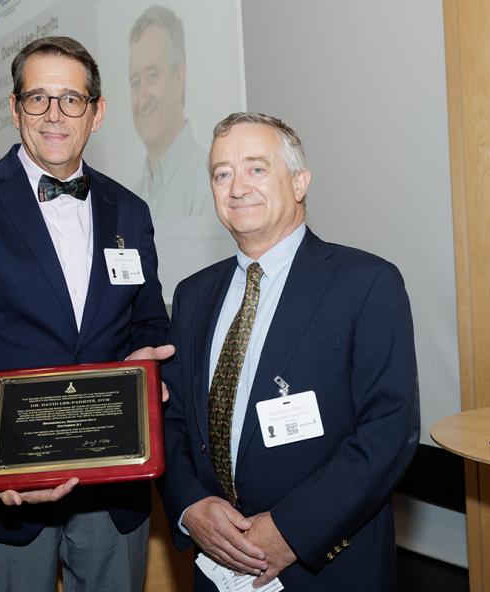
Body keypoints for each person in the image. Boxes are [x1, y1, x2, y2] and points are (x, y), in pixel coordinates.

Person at [0, 36, 172, 592]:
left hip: (113, 485)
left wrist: (145, 357)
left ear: (97, 112)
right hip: (8, 496)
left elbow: (148, 317)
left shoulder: (130, 211)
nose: (55, 115)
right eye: (38, 99)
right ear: (15, 109)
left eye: (72, 100)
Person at [158, 112, 419, 590]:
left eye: (256, 168)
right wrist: (190, 506)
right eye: (222, 173)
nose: (237, 187)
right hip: (216, 566)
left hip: (325, 565)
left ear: (299, 183)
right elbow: (174, 423)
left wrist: (292, 532)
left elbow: (388, 432)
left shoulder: (367, 284)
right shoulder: (193, 295)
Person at [129, 5, 211, 219]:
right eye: (135, 82)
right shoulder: (132, 197)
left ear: (178, 79)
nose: (142, 98)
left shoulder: (209, 184)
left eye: (153, 76)